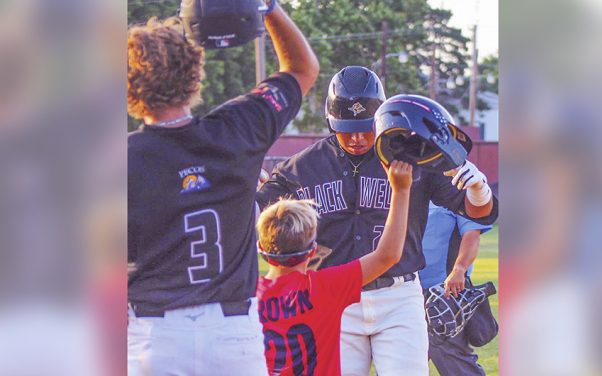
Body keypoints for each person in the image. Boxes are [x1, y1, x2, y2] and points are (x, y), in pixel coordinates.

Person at [256, 66, 497, 375]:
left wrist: (479, 189)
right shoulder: (302, 167)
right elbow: (255, 212)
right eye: (346, 128)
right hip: (334, 299)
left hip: (399, 296)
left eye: (365, 127)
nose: (356, 137)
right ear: (330, 122)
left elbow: (477, 211)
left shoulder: (411, 155)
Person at [127, 1, 319, 374]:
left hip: (155, 336)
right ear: (194, 73)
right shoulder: (237, 128)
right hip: (233, 334)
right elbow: (301, 68)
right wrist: (268, 7)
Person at [257, 161, 413, 375]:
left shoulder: (247, 296)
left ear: (261, 249)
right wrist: (401, 190)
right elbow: (388, 255)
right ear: (312, 250)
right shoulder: (325, 288)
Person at [420, 201, 493, 376]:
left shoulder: (457, 190)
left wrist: (459, 269)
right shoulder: (409, 186)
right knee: (399, 364)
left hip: (444, 295)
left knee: (456, 364)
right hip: (405, 292)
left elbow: (472, 235)